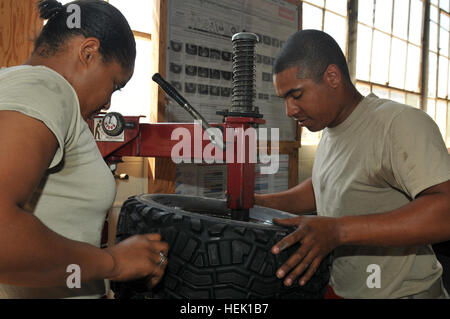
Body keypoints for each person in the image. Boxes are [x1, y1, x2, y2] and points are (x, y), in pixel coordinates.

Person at [255, 29, 450, 299]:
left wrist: (338, 230)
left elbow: (445, 211)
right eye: (284, 99)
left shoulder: (398, 124)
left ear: (332, 77)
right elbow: (326, 185)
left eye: (296, 95)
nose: (290, 110)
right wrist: (261, 204)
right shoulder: (331, 127)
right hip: (345, 290)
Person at [0, 0, 168, 298]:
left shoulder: (12, 82)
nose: (107, 104)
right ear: (88, 52)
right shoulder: (46, 88)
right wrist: (113, 262)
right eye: (115, 85)